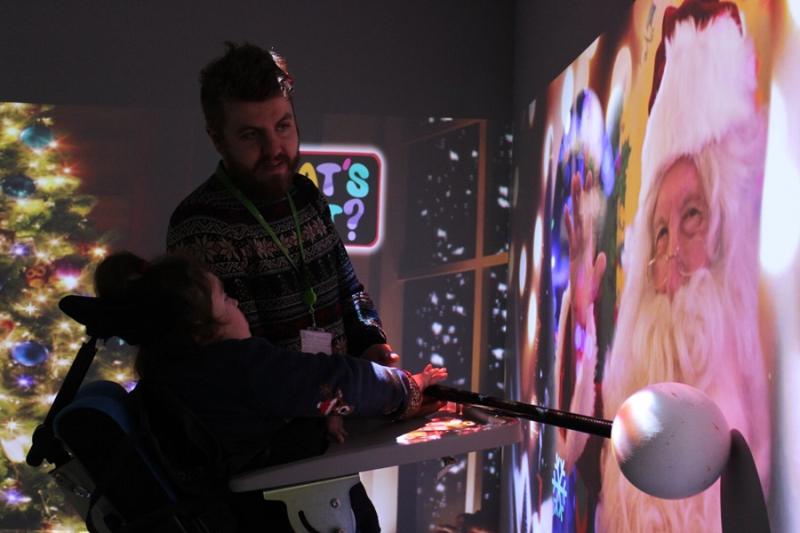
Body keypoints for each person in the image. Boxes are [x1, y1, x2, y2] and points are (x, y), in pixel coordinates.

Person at [564, 1, 770, 530]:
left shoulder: (760, 401)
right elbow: (581, 457)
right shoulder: (632, 374)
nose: (672, 251)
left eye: (693, 217)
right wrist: (582, 316)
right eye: (660, 230)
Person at [93, 251, 447, 531]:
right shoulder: (239, 364)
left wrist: (310, 422)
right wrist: (406, 387)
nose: (235, 304)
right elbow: (336, 380)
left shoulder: (170, 375)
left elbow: (244, 430)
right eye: (225, 299)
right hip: (279, 514)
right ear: (200, 329)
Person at [167, 42, 397, 366]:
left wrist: (370, 342)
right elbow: (250, 365)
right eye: (251, 135)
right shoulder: (200, 227)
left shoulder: (306, 194)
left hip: (339, 402)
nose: (274, 148)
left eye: (283, 126)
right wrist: (367, 388)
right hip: (280, 412)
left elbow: (348, 288)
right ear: (217, 139)